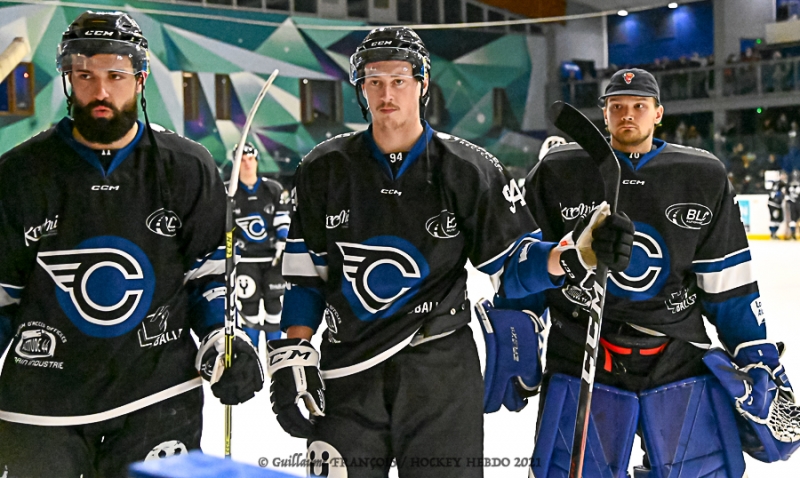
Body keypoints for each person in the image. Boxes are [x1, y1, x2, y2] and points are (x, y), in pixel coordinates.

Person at [266, 27, 632, 478]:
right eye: (374, 80)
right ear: (360, 87)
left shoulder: (469, 169)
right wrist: (294, 351)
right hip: (348, 371)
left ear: (422, 83)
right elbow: (306, 277)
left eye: (399, 79)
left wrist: (572, 256)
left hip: (440, 374)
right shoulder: (323, 168)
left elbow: (512, 266)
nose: (386, 92)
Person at [0, 11, 262, 477]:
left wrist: (225, 340)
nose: (100, 92)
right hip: (41, 406)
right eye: (85, 76)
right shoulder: (19, 173)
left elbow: (209, 272)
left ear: (140, 80)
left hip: (156, 398)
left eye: (115, 76)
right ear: (68, 80)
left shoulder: (187, 166)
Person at [524, 68, 798, 477]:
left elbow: (727, 280)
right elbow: (524, 261)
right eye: (617, 106)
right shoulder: (559, 171)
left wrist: (754, 355)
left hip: (675, 351)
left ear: (658, 113)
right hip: (583, 346)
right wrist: (520, 329)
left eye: (639, 106)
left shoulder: (701, 175)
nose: (627, 114)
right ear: (604, 114)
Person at [227, 142, 291, 347]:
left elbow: (283, 216)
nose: (247, 164)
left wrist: (282, 241)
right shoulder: (228, 192)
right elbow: (222, 225)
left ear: (256, 160)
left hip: (273, 259)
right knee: (249, 309)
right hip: (245, 261)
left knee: (275, 308)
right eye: (242, 160)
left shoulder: (272, 188)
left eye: (250, 159)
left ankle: (275, 359)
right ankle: (252, 361)